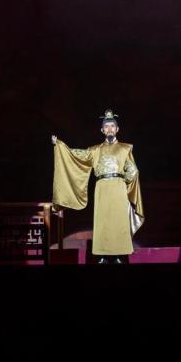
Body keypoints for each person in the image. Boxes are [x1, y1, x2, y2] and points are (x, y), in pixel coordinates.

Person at [51, 109, 144, 264]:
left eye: (112, 126)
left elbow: (132, 169)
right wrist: (60, 146)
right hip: (102, 187)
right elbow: (78, 156)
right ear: (102, 130)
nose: (109, 129)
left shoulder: (125, 148)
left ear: (117, 129)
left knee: (118, 220)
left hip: (118, 187)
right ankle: (103, 255)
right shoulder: (95, 150)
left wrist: (125, 181)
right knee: (103, 221)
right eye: (106, 126)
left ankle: (118, 255)